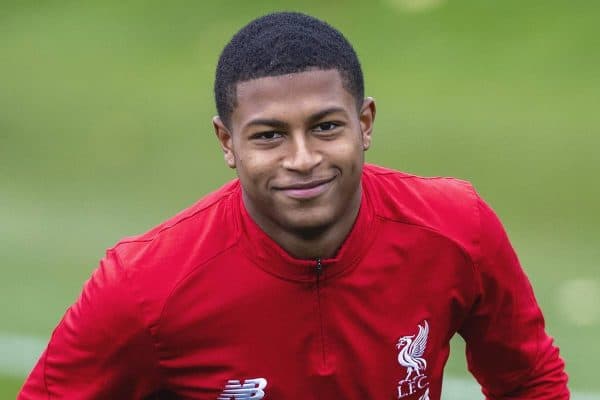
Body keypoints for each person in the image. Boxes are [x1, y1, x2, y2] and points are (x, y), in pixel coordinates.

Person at [19, 11, 568, 399]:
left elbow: (529, 381)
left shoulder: (456, 227)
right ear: (227, 143)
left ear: (366, 123)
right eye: (268, 136)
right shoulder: (144, 286)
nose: (303, 158)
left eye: (326, 126)